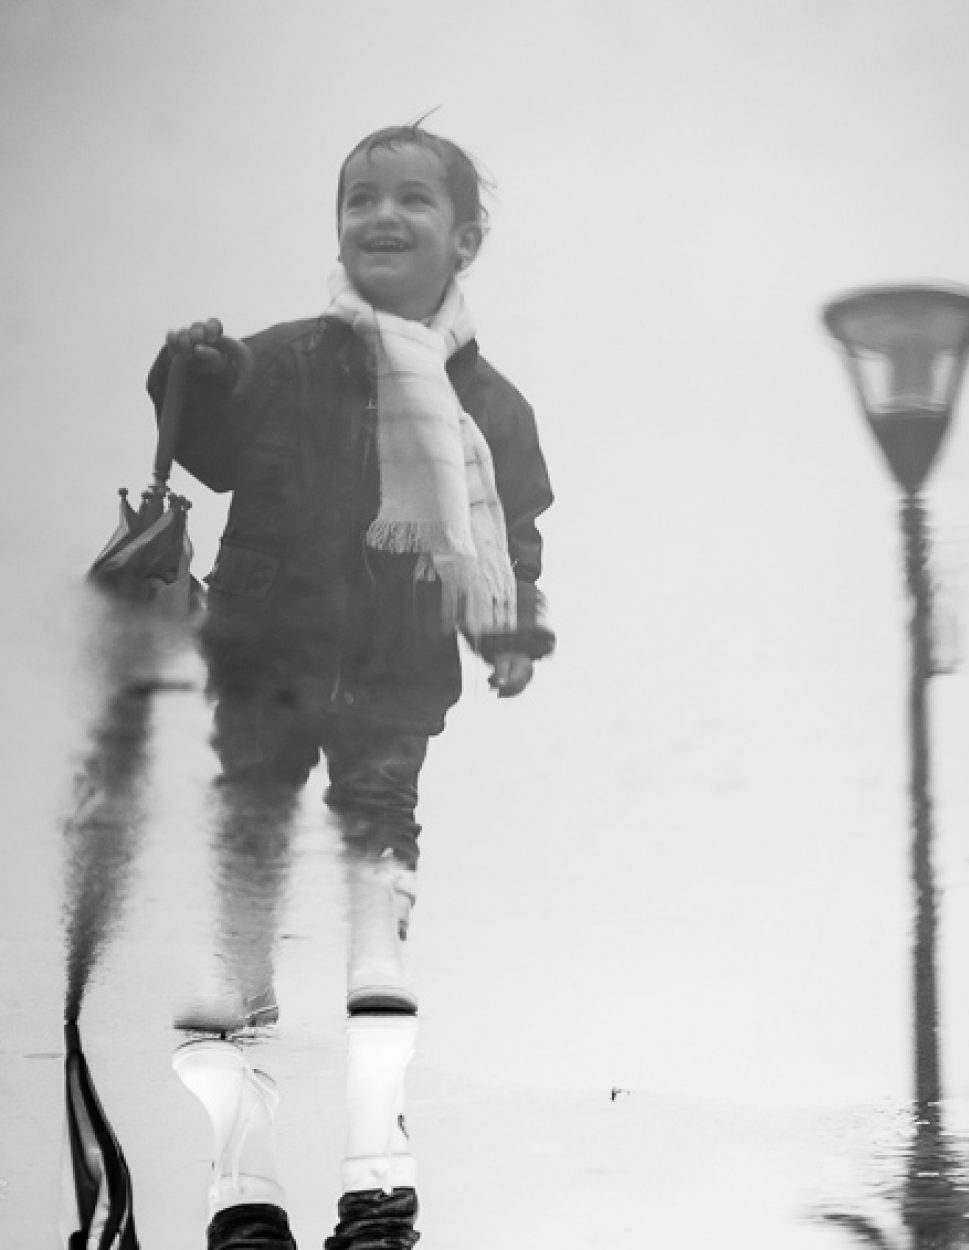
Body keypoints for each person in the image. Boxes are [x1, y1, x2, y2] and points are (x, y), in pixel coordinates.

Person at [153, 122, 554, 1249]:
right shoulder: (281, 358)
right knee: (252, 834)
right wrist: (195, 367)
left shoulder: (494, 405)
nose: (382, 216)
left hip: (392, 657)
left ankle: (379, 1107)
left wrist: (512, 622)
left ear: (463, 237)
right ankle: (244, 1080)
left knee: (381, 840)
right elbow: (211, 447)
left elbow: (509, 526)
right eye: (359, 198)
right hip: (268, 643)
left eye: (412, 200)